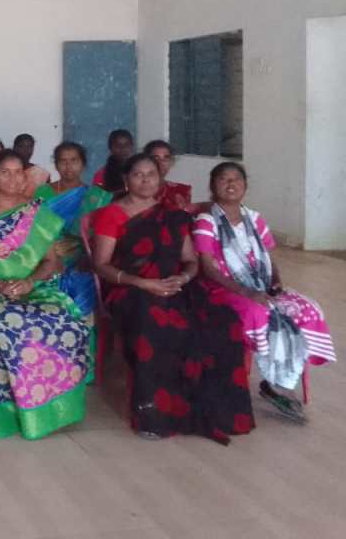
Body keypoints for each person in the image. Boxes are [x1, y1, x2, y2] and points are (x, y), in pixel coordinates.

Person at [92, 154, 254, 444]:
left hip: (174, 285)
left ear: (160, 179)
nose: (145, 180)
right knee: (155, 322)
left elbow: (190, 261)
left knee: (223, 322)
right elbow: (101, 265)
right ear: (126, 180)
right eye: (138, 174)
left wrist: (183, 278)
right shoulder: (111, 214)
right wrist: (143, 283)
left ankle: (219, 413)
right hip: (129, 288)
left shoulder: (171, 214)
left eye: (151, 174)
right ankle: (155, 416)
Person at [0, 150, 90, 440]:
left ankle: (56, 408)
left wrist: (30, 282)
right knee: (13, 322)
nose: (13, 178)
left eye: (19, 172)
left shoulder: (38, 212)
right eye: (5, 172)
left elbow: (51, 262)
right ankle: (13, 410)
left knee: (67, 321)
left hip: (32, 287)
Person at [193, 162, 335, 421]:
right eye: (223, 179)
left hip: (260, 285)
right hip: (222, 288)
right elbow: (209, 269)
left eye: (236, 179)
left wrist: (276, 281)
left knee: (308, 309)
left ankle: (282, 380)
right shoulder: (206, 221)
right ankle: (277, 384)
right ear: (213, 186)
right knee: (259, 313)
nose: (231, 184)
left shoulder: (255, 218)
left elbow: (268, 257)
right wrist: (246, 292)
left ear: (245, 185)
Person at [32, 142, 112, 320]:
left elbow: (100, 238)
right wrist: (50, 259)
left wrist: (87, 259)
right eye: (63, 161)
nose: (68, 166)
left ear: (83, 164)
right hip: (46, 258)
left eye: (74, 160)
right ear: (56, 164)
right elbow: (33, 232)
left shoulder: (95, 197)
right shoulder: (42, 193)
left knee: (83, 287)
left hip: (83, 261)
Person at [143, 140, 194, 212]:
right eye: (156, 158)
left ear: (171, 162)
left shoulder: (181, 190)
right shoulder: (137, 189)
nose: (161, 162)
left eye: (166, 158)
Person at [93, 129, 135, 193]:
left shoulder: (140, 171)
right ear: (110, 148)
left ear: (132, 146)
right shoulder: (101, 174)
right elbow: (96, 197)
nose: (123, 149)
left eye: (127, 145)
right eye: (118, 146)